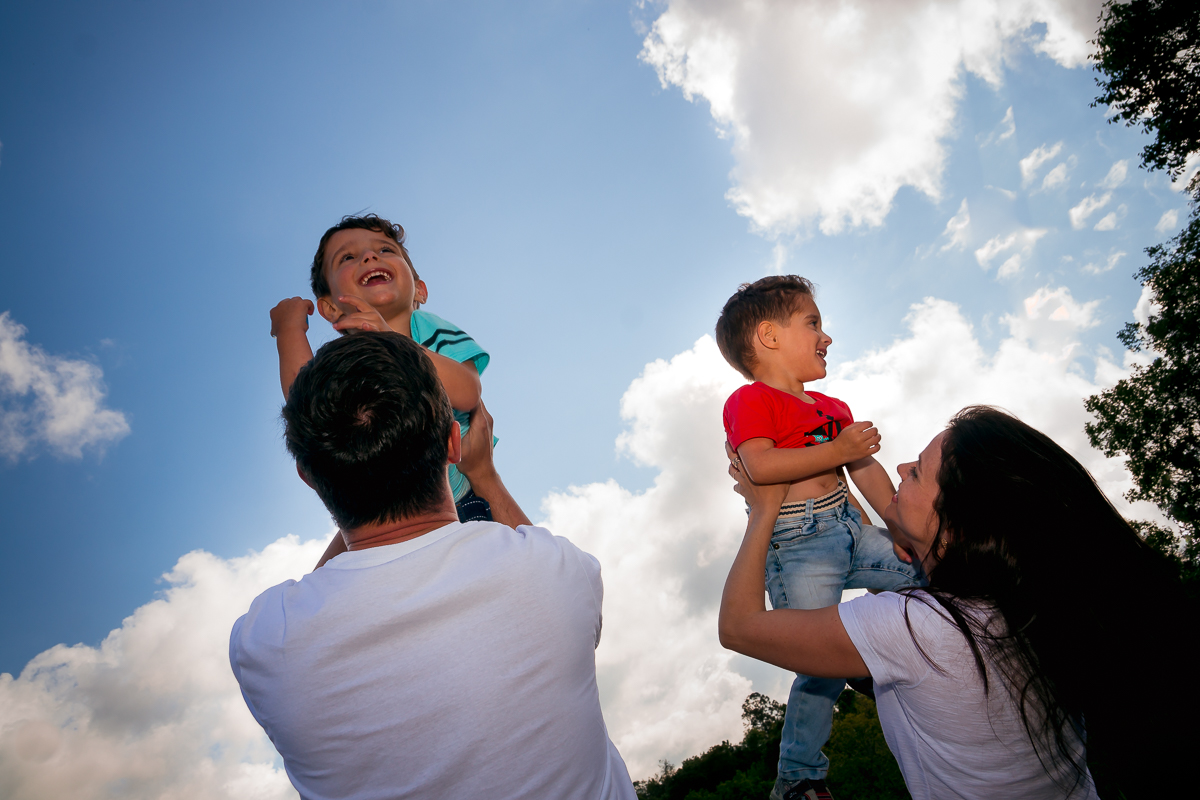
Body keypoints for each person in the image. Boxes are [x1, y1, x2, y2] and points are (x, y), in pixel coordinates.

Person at [229, 331, 636, 800]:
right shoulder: (553, 570)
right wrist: (484, 476)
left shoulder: (263, 640)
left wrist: (351, 481)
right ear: (452, 441)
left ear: (307, 475)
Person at [719, 405, 1196, 799]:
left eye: (919, 473)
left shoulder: (915, 626)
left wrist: (764, 511)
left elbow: (739, 627)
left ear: (958, 523)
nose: (902, 468)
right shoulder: (1023, 604)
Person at [715, 275, 921, 800]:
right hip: (796, 541)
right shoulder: (750, 401)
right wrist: (838, 450)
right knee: (817, 660)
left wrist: (899, 527)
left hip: (849, 525)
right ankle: (799, 776)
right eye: (813, 324)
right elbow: (760, 466)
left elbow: (867, 472)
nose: (826, 337)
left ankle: (879, 657)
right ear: (769, 336)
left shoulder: (832, 408)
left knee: (922, 577)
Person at [270, 213, 494, 528]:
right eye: (348, 257)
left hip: (457, 505)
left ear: (419, 290)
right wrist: (289, 331)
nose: (370, 256)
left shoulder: (429, 329)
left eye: (385, 250)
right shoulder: (347, 359)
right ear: (331, 308)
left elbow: (468, 392)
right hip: (379, 513)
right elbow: (308, 407)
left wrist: (390, 338)